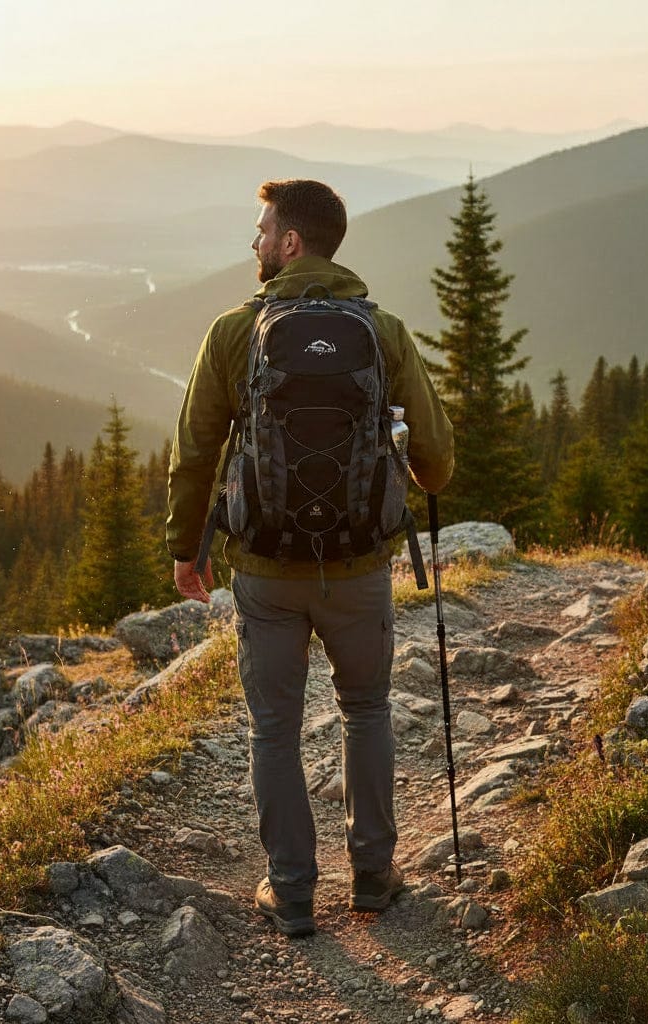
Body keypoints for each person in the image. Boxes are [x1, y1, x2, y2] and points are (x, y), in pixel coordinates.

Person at [166, 179, 454, 937]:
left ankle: (292, 891)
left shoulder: (234, 331)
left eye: (263, 230)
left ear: (291, 243)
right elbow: (437, 463)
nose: (255, 242)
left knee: (274, 729)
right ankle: (373, 876)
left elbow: (194, 452)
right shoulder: (384, 331)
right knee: (367, 709)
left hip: (265, 572)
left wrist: (185, 549)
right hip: (359, 568)